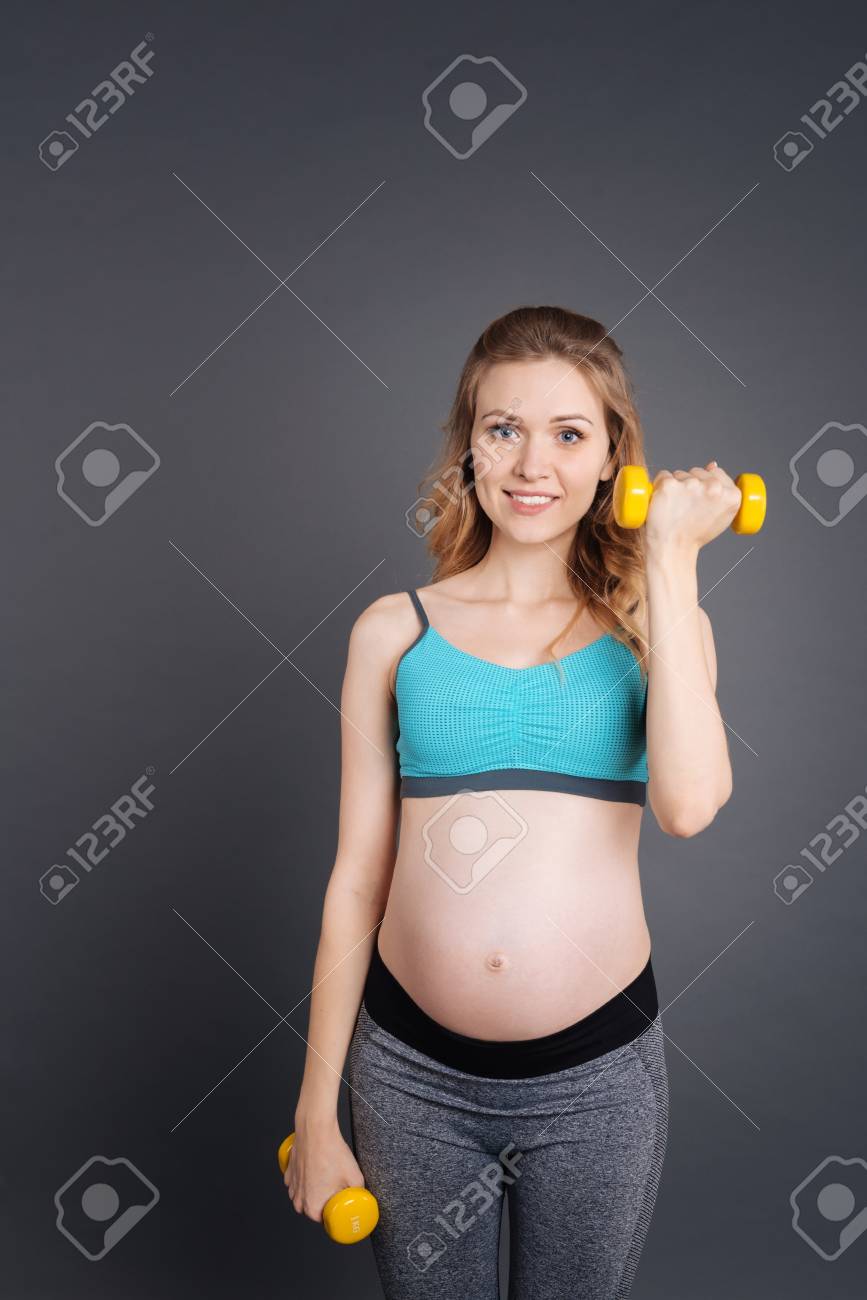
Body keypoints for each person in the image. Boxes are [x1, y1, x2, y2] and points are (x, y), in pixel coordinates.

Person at [285, 305, 740, 1298]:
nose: (534, 464)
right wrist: (316, 1112)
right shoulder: (392, 633)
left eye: (570, 434)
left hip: (597, 1082)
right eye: (505, 429)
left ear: (616, 457)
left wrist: (670, 556)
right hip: (410, 1075)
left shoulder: (656, 627)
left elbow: (691, 803)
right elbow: (356, 885)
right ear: (468, 450)